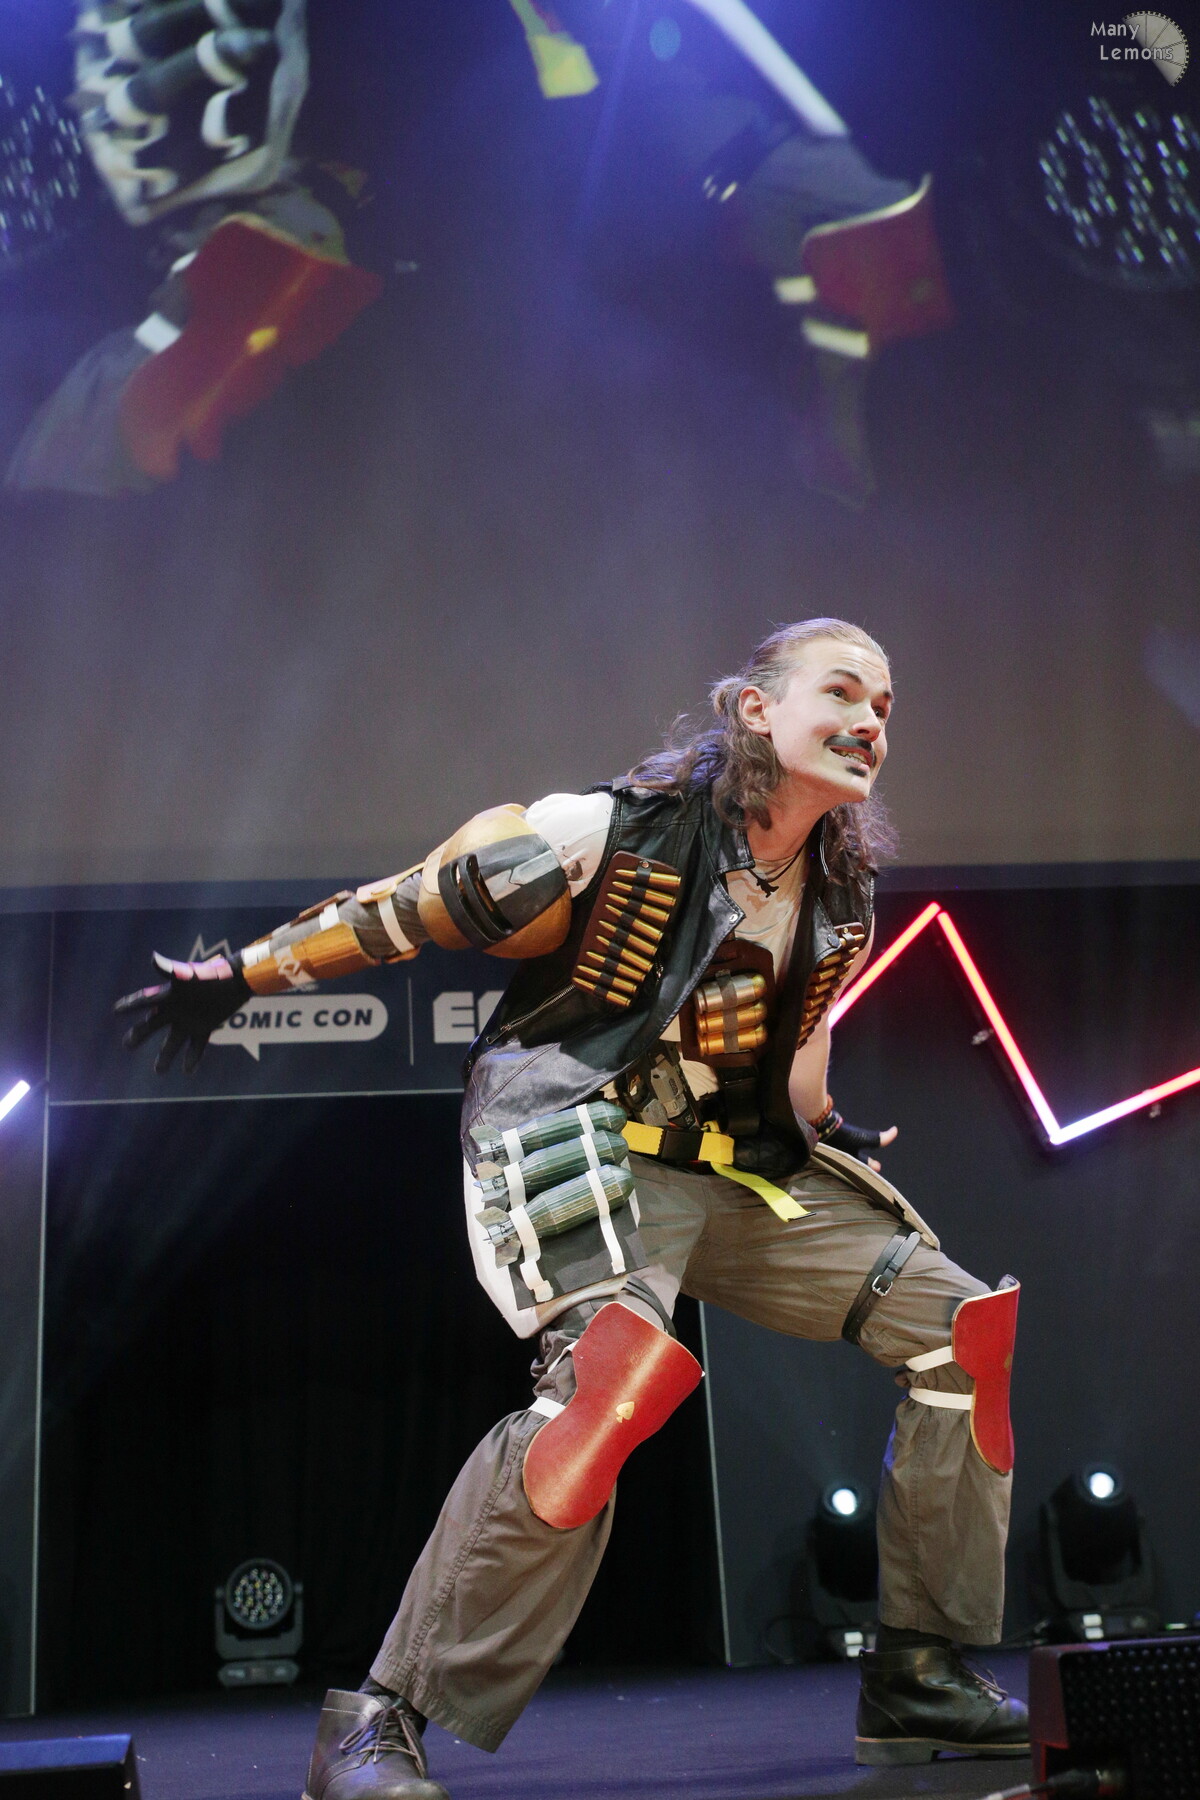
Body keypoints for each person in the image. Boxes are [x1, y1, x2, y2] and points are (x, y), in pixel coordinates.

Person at [117, 618, 1027, 1794]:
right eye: (844, 692)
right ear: (756, 708)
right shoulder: (612, 830)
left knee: (960, 1332)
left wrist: (828, 1129)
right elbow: (404, 908)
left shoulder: (838, 895)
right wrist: (239, 976)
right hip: (578, 1132)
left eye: (886, 707)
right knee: (606, 1389)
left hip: (732, 1168)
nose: (870, 723)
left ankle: (920, 1672)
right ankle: (376, 1720)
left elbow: (797, 1074)